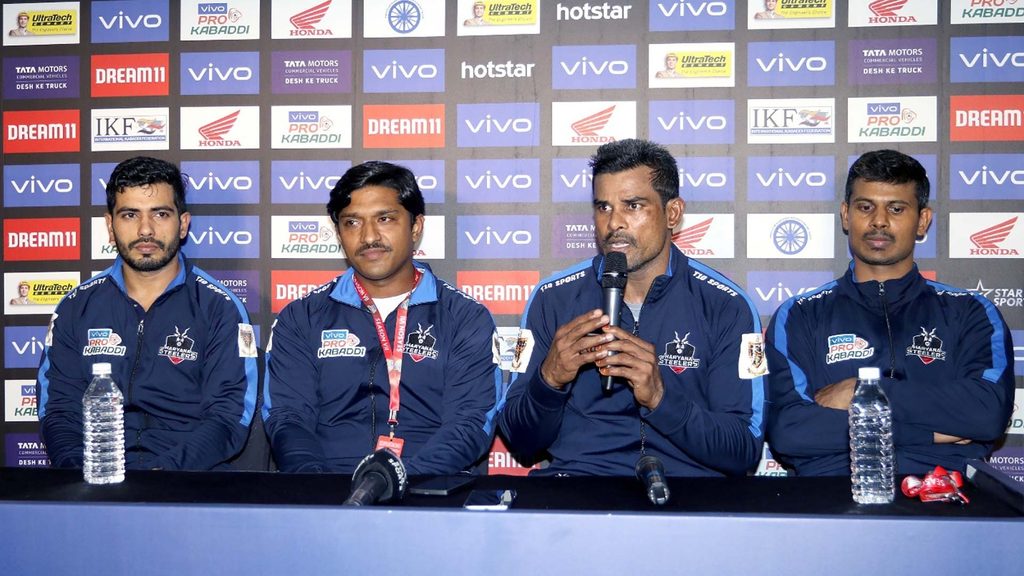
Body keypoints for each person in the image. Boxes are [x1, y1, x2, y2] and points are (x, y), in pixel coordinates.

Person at [499, 139, 767, 476]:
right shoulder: (552, 298)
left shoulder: (726, 305)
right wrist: (548, 381)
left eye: (633, 205)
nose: (614, 224)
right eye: (604, 207)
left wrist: (661, 399)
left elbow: (742, 450)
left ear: (673, 213)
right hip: (580, 490)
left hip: (688, 494)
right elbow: (520, 442)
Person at [766, 150, 1015, 476]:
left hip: (942, 501)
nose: (879, 221)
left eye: (896, 209)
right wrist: (931, 434)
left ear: (923, 220)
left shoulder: (970, 312)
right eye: (865, 207)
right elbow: (791, 431)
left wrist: (860, 390)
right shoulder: (799, 314)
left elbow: (986, 413)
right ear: (845, 215)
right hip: (828, 503)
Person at [263, 161, 500, 475]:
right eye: (352, 223)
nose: (369, 236)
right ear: (338, 232)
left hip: (429, 492)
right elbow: (288, 418)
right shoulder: (301, 317)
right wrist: (318, 488)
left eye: (385, 219)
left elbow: (470, 424)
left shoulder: (465, 318)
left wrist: (397, 481)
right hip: (327, 490)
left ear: (416, 226)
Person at [37, 156, 258, 471]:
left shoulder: (221, 308)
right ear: (110, 226)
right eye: (129, 214)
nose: (145, 229)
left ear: (182, 224)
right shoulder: (76, 306)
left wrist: (162, 476)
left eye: (161, 214)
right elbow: (58, 409)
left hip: (187, 483)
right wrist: (81, 473)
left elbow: (228, 417)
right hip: (96, 475)